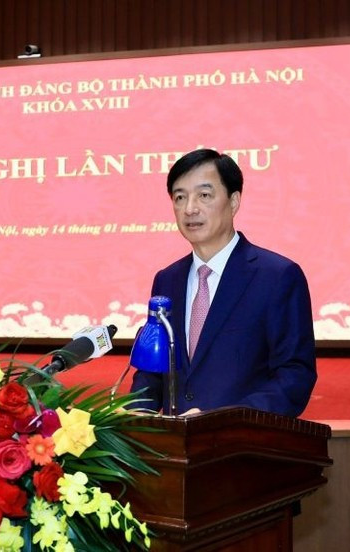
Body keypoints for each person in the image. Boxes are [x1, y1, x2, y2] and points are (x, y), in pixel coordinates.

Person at [130, 148, 317, 417]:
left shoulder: (277, 276)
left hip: (242, 448)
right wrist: (136, 414)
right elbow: (153, 372)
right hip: (175, 450)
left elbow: (294, 376)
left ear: (234, 201)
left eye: (204, 195)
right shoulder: (167, 280)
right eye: (180, 197)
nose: (190, 208)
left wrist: (223, 421)